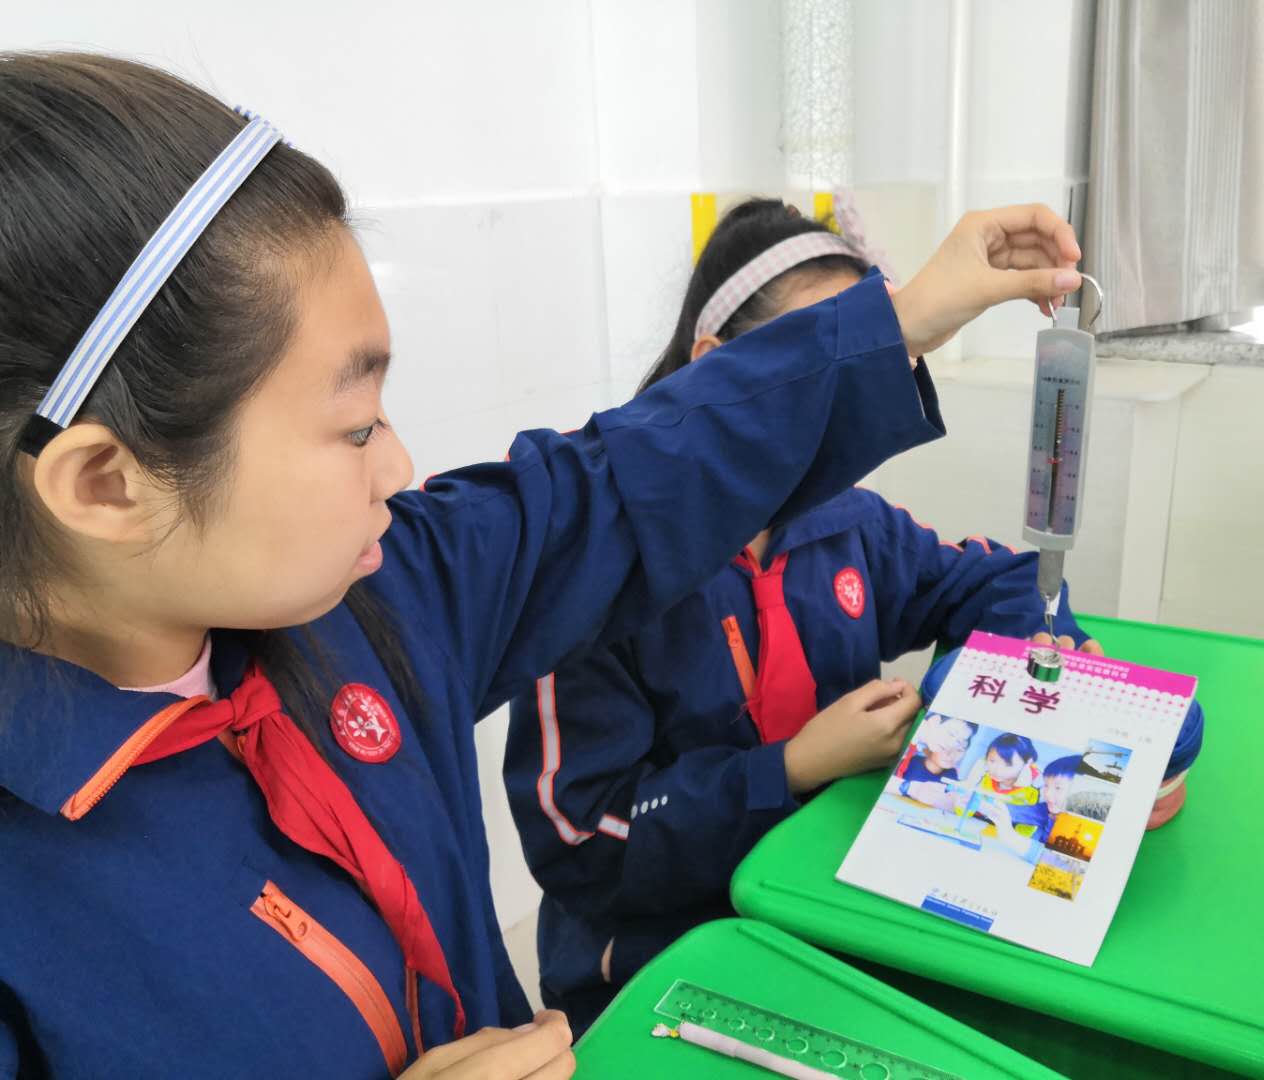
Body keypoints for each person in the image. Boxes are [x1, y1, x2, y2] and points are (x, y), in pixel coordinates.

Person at [0, 54, 1086, 1079]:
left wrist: (905, 318)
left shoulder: (378, 597)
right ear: (103, 483)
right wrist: (784, 770)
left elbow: (625, 477)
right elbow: (593, 838)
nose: (400, 467)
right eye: (355, 425)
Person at [503, 197, 1093, 1036]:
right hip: (659, 967)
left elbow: (1000, 581)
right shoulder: (600, 573)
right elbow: (581, 844)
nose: (845, 404)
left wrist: (1022, 671)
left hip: (819, 912)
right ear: (716, 368)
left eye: (856, 366)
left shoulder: (845, 523)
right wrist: (790, 767)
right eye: (814, 369)